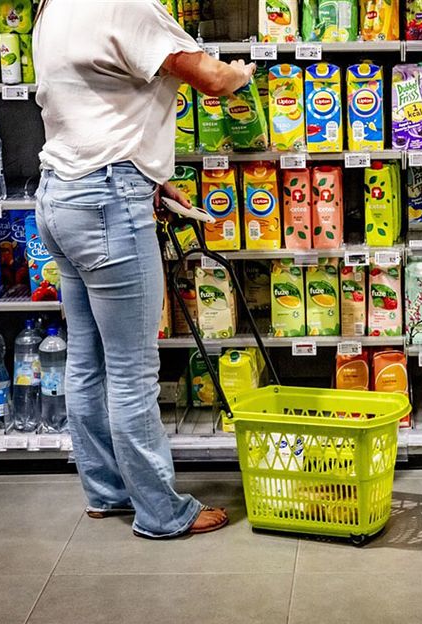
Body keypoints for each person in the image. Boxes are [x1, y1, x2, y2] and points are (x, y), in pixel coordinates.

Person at [32, 0, 254, 539]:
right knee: (132, 371)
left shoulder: (53, 8)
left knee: (87, 361)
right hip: (107, 203)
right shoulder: (127, 6)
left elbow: (96, 108)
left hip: (59, 196)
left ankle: (106, 493)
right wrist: (240, 73)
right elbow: (209, 77)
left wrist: (147, 177)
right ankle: (161, 512)